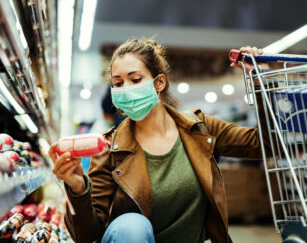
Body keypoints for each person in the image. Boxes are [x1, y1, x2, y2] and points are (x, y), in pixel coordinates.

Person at [48, 38, 271, 243]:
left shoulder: (200, 129)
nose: (125, 89)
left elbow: (267, 144)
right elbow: (87, 236)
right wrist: (78, 188)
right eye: (117, 84)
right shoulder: (109, 149)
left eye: (135, 79)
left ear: (159, 83)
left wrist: (263, 83)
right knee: (131, 226)